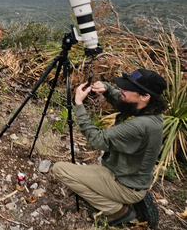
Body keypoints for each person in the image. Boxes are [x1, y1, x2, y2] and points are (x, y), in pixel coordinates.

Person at [52, 68, 167, 227]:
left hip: (125, 184)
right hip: (131, 177)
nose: (122, 90)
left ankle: (117, 211)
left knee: (60, 169)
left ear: (144, 96)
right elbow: (125, 103)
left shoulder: (140, 125)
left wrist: (78, 104)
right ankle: (131, 197)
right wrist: (107, 89)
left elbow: (96, 138)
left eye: (127, 88)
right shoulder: (149, 111)